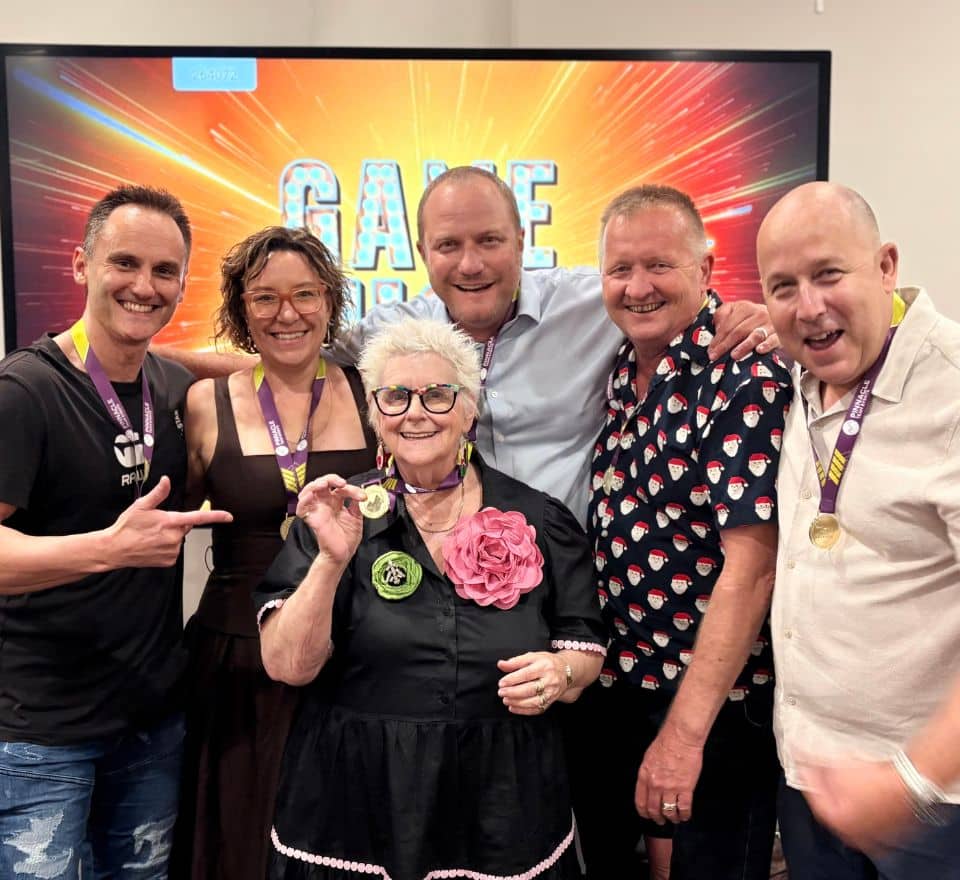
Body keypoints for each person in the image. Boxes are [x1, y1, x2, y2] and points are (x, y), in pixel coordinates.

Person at [161, 167, 776, 525]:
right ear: (423, 252)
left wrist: (758, 315)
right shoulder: (394, 333)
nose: (471, 264)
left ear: (522, 241)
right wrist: (142, 357)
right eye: (449, 246)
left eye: (489, 241)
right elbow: (282, 353)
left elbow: (676, 296)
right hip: (438, 580)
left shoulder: (599, 301)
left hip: (572, 575)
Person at [254, 317, 607, 880]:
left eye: (438, 395)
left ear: (470, 409)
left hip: (502, 798)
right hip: (357, 798)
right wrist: (330, 562)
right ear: (375, 413)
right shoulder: (334, 518)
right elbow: (287, 667)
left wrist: (561, 672)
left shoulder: (540, 519)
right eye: (394, 397)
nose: (415, 413)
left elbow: (585, 644)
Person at [0, 185, 231, 879]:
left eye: (165, 272)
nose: (144, 286)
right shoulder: (24, 393)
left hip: (151, 722)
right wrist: (110, 550)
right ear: (81, 265)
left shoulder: (167, 382)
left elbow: (238, 367)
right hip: (44, 732)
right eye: (124, 263)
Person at [569, 184, 792, 880]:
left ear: (706, 268)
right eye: (619, 269)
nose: (638, 287)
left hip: (710, 708)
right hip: (622, 691)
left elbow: (753, 566)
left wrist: (684, 736)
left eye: (659, 265)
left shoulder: (739, 375)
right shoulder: (619, 372)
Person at [757, 181, 960, 879]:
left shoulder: (953, 389)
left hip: (935, 805)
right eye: (783, 286)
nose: (807, 306)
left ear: (886, 267)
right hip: (813, 779)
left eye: (828, 274)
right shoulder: (798, 370)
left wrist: (910, 782)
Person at [171, 228, 377, 879]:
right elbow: (164, 530)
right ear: (240, 308)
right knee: (237, 845)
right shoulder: (205, 406)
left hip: (352, 664)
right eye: (265, 298)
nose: (287, 314)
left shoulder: (375, 395)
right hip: (236, 663)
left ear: (330, 302)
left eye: (304, 295)